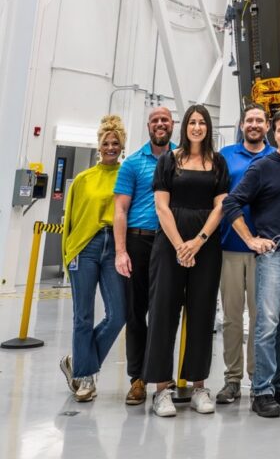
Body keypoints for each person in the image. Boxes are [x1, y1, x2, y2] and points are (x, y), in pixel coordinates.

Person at [222, 106, 280, 419]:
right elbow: (231, 203)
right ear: (273, 134)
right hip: (273, 256)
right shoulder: (263, 167)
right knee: (266, 325)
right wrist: (251, 239)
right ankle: (261, 390)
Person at [143, 104, 230, 418]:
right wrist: (181, 245)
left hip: (205, 247)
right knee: (164, 313)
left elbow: (221, 207)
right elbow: (162, 207)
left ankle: (198, 387)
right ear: (185, 127)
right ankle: (162, 390)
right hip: (170, 245)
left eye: (202, 122)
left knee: (202, 314)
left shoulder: (218, 163)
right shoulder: (169, 160)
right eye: (192, 122)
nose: (197, 127)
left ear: (208, 128)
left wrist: (198, 242)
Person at [59, 114, 128, 403]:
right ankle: (84, 379)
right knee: (83, 316)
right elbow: (70, 221)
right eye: (106, 143)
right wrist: (67, 256)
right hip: (84, 248)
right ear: (98, 146)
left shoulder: (127, 175)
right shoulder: (83, 180)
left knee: (118, 315)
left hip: (114, 246)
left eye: (116, 143)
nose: (110, 147)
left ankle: (79, 362)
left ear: (122, 146)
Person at [113, 105, 174, 406]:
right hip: (139, 242)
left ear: (172, 124)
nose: (160, 124)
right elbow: (120, 210)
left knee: (164, 313)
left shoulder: (183, 159)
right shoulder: (133, 163)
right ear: (148, 127)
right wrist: (121, 251)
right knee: (136, 314)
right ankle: (137, 379)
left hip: (170, 244)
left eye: (165, 119)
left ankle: (162, 376)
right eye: (155, 120)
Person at [215, 103, 273, 405]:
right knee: (232, 318)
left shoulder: (275, 157)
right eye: (249, 120)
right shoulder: (226, 157)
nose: (253, 125)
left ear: (267, 125)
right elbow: (219, 201)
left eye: (259, 120)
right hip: (231, 248)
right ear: (241, 125)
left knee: (262, 319)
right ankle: (233, 379)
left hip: (265, 252)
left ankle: (258, 378)